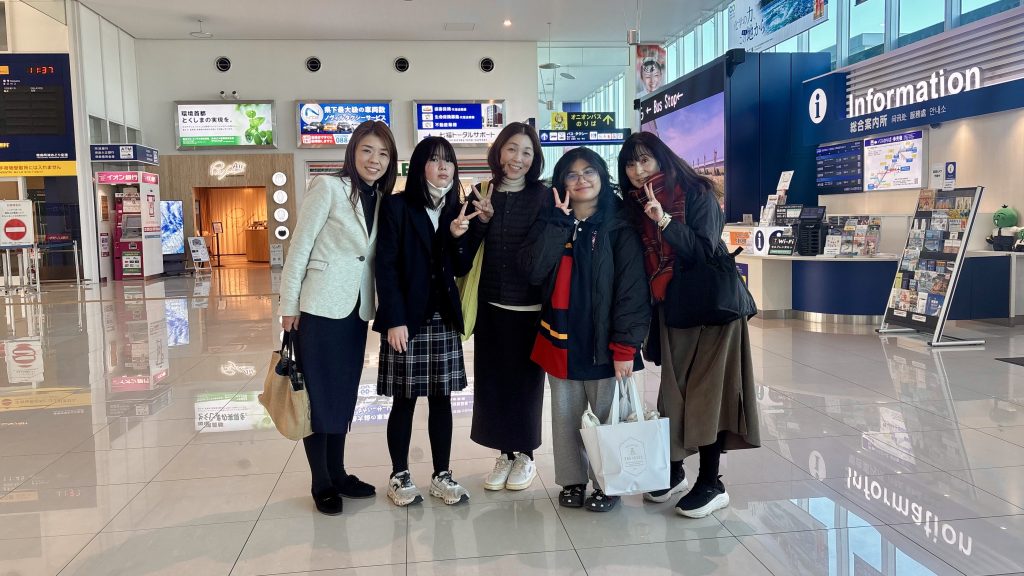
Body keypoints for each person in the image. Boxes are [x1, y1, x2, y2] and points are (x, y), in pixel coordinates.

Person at [617, 131, 759, 518]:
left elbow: (705, 249)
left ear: (661, 159)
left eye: (644, 160)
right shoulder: (634, 205)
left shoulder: (696, 193)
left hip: (712, 308)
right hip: (671, 308)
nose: (637, 170)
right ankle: (675, 469)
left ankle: (711, 482)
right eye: (630, 164)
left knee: (708, 394)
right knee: (673, 392)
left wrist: (664, 221)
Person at [278, 120, 398, 516]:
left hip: (356, 310)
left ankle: (339, 472)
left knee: (343, 394)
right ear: (353, 152)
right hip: (319, 308)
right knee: (318, 396)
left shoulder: (381, 198)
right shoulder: (328, 187)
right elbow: (299, 247)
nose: (374, 159)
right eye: (367, 150)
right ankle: (321, 481)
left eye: (383, 153)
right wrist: (289, 306)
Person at [520, 147, 650, 512]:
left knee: (607, 415)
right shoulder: (551, 220)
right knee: (565, 417)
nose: (581, 180)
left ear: (601, 176)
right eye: (572, 174)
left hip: (604, 341)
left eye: (589, 172)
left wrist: (625, 346)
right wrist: (558, 224)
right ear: (562, 182)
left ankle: (607, 483)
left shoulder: (619, 225)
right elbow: (533, 271)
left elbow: (631, 290)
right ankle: (572, 481)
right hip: (560, 337)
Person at [374, 137, 476, 507]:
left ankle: (441, 474)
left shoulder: (456, 209)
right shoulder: (398, 206)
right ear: (420, 166)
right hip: (407, 319)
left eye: (448, 161)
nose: (443, 167)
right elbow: (385, 266)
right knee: (404, 400)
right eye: (435, 160)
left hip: (443, 317)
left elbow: (460, 267)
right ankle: (399, 474)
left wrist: (457, 238)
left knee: (442, 400)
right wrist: (394, 319)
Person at [463, 122, 550, 491]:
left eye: (527, 152)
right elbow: (465, 250)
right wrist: (482, 221)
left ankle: (525, 454)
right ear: (499, 152)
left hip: (529, 308)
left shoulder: (543, 196)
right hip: (490, 306)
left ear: (534, 158)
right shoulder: (481, 193)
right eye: (512, 149)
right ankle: (505, 453)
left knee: (526, 385)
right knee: (494, 383)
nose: (518, 158)